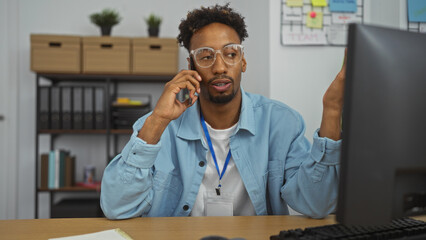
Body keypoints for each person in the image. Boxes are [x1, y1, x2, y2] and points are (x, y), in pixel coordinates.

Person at [100, 4, 345, 219]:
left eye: (230, 54)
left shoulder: (281, 123)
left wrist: (332, 109)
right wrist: (158, 120)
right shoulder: (156, 127)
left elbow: (317, 204)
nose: (219, 67)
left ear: (243, 61)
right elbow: (116, 208)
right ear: (190, 66)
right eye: (206, 56)